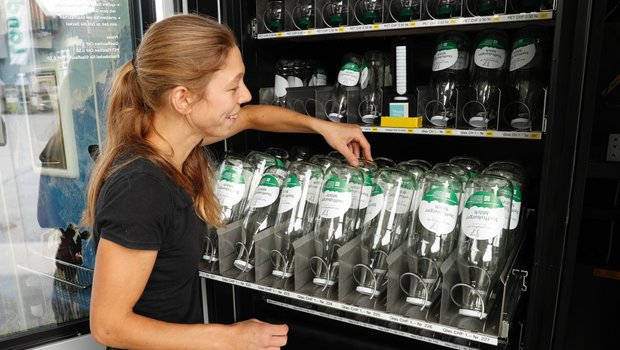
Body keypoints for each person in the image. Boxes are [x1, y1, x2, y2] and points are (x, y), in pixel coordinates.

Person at [81, 14, 372, 350]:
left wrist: (324, 128)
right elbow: (109, 326)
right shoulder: (141, 189)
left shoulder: (179, 146)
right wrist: (231, 337)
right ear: (183, 98)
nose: (245, 94)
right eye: (233, 86)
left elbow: (251, 117)